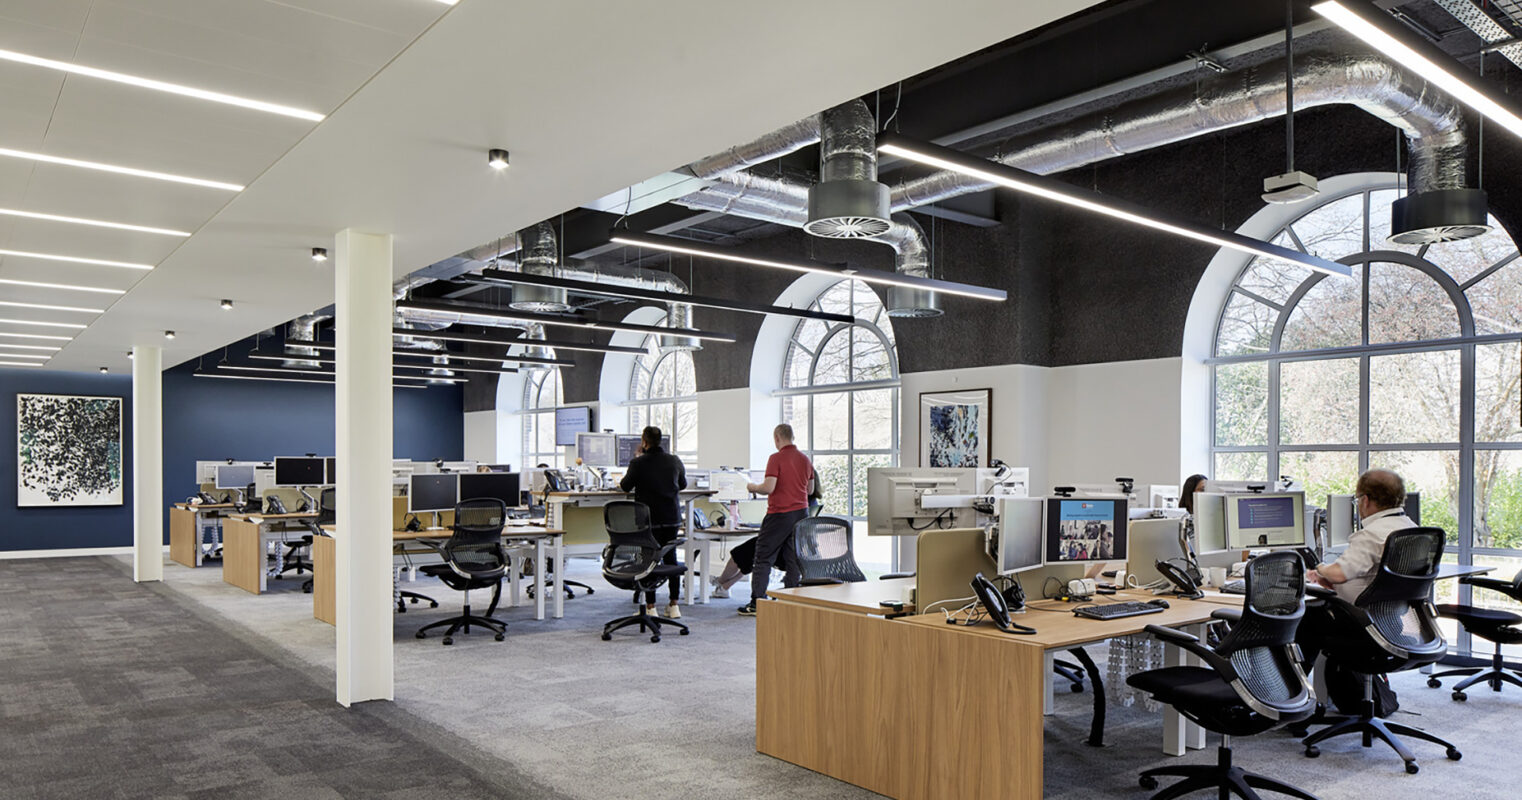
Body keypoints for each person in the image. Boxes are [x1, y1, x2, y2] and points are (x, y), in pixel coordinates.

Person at [1297, 468, 1414, 665]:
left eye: (1358, 499)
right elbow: (1377, 581)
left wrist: (1320, 568)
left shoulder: (1372, 534)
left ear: (1365, 500)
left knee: (1305, 617)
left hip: (1363, 626)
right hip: (1391, 623)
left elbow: (1339, 574)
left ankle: (1291, 688)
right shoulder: (1409, 527)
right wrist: (1329, 580)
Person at [738, 423, 812, 616]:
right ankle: (790, 597)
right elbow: (810, 490)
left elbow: (769, 487)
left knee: (763, 557)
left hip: (780, 514)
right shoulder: (805, 459)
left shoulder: (776, 458)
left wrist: (752, 487)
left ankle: (757, 602)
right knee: (792, 558)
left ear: (777, 438)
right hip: (801, 513)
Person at [618, 426, 687, 619]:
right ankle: (674, 605)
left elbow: (625, 486)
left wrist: (637, 459)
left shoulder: (638, 463)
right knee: (670, 557)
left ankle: (651, 606)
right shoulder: (674, 461)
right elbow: (682, 485)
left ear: (644, 442)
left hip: (649, 521)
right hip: (671, 519)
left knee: (649, 559)